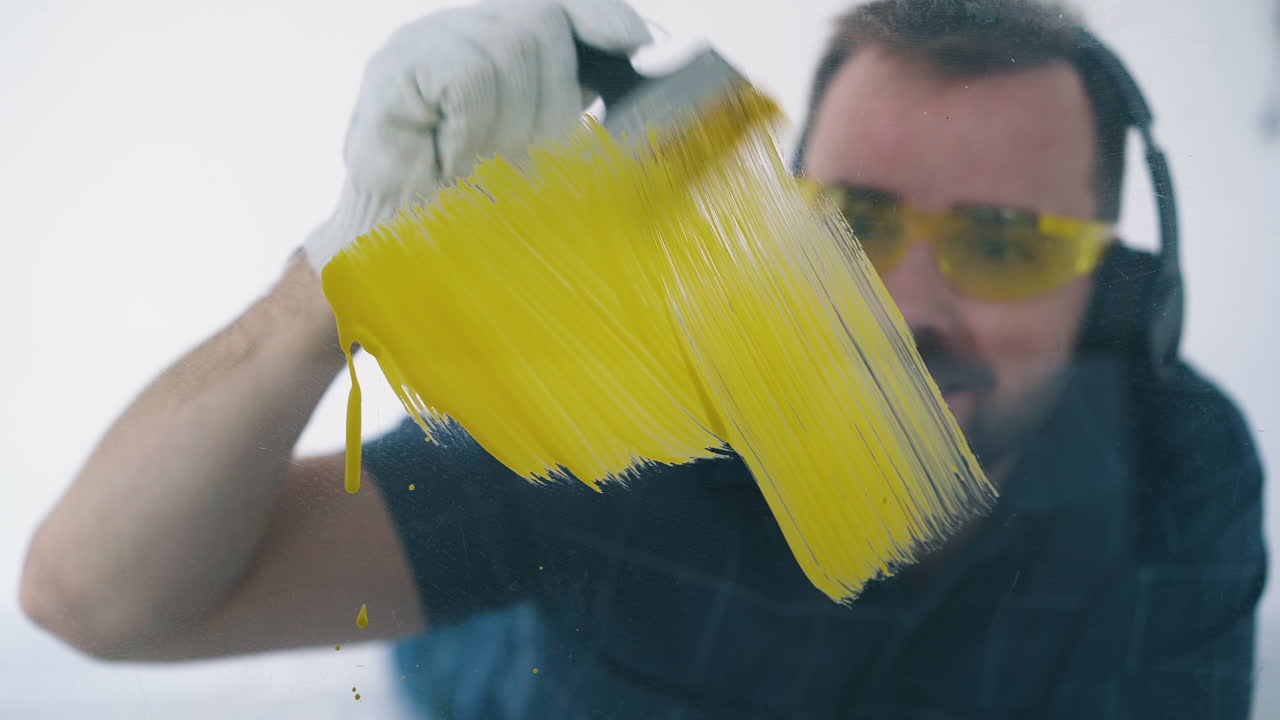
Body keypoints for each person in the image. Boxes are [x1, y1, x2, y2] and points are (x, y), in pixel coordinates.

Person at [20, 0, 1266, 717]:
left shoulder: (1181, 466)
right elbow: (96, 600)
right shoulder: (631, 405)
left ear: (1111, 277)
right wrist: (333, 284)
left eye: (1004, 241)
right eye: (857, 220)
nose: (905, 302)